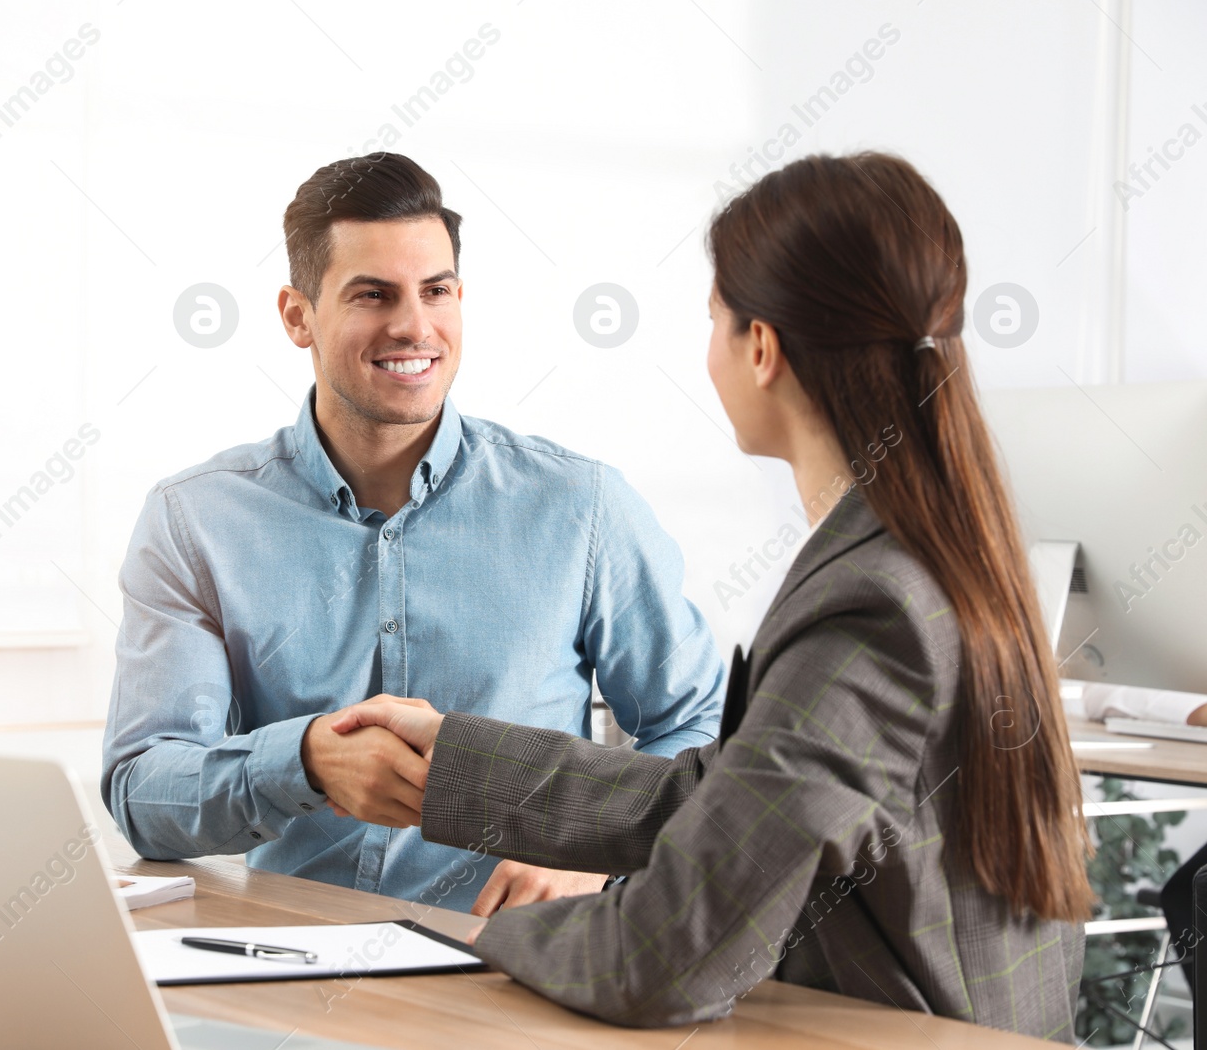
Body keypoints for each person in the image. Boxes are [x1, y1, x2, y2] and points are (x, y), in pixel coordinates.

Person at [326, 152, 1094, 1040]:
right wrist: (457, 758)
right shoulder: (924, 550)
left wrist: (467, 935)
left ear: (760, 347)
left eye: (714, 320)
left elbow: (661, 957)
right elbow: (733, 796)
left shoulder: (872, 606)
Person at [102, 153, 726, 915]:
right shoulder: (195, 520)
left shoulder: (581, 507)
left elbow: (698, 728)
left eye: (435, 291)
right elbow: (143, 787)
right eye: (373, 294)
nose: (413, 326)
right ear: (297, 315)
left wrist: (598, 852)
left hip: (514, 966)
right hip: (285, 969)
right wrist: (303, 760)